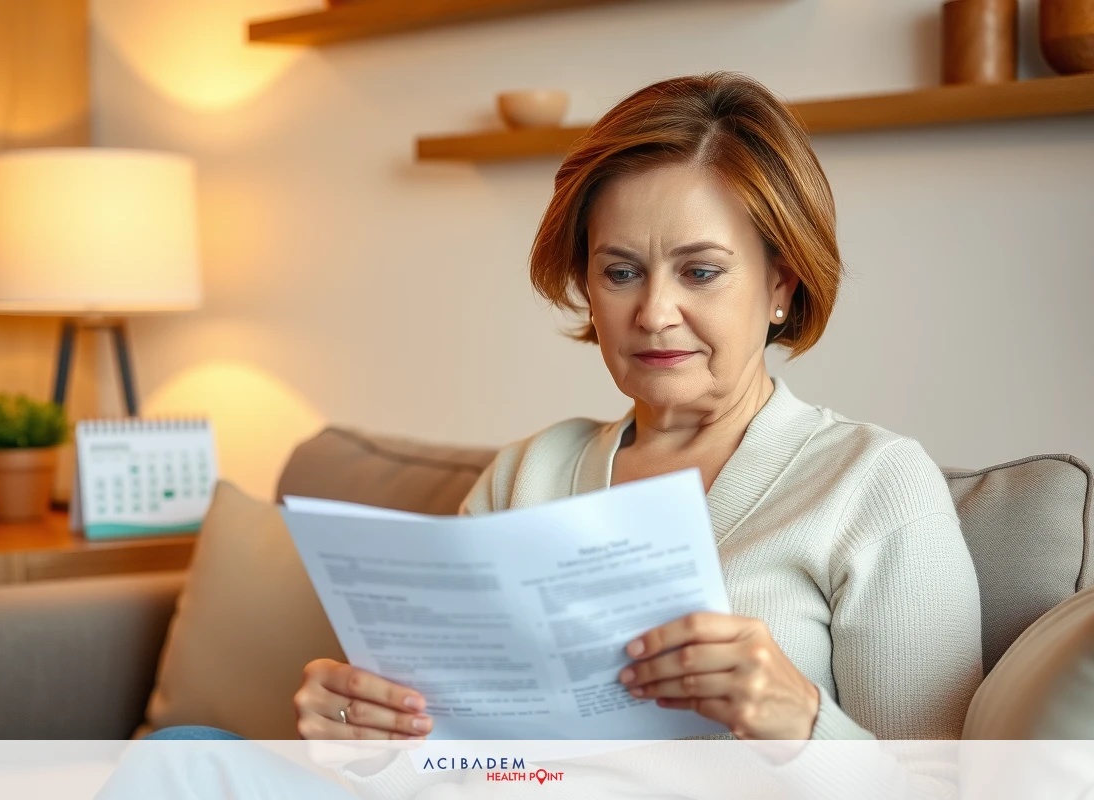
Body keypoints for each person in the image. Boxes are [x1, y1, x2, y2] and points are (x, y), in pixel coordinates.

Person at [126, 71, 983, 799]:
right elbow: (456, 763)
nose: (653, 312)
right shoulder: (526, 475)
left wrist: (802, 725)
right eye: (620, 272)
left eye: (701, 271)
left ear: (781, 286)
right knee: (180, 760)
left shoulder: (872, 485)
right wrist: (370, 740)